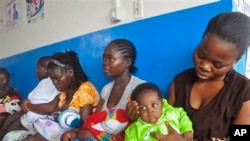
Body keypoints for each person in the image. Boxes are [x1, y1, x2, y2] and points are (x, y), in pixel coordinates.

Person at [126, 12, 250, 141]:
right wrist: (138, 117)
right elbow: (161, 120)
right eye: (201, 55)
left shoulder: (244, 93)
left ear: (236, 60)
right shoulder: (179, 83)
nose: (205, 66)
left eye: (217, 64)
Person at [3, 50, 100, 141]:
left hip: (76, 132)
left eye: (57, 78)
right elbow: (51, 107)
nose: (54, 83)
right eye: (52, 79)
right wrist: (28, 105)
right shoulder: (65, 92)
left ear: (70, 72)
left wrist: (71, 132)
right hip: (60, 128)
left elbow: (85, 122)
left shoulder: (86, 90)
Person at [61, 38, 146, 141]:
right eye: (104, 58)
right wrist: (75, 132)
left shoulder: (139, 88)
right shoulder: (107, 89)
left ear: (127, 62)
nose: (104, 63)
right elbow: (93, 120)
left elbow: (144, 125)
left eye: (110, 59)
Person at [125, 82, 193, 141]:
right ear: (137, 110)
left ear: (162, 104)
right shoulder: (133, 130)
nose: (150, 110)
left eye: (154, 105)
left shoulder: (170, 112)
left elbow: (182, 115)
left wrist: (187, 130)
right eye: (143, 107)